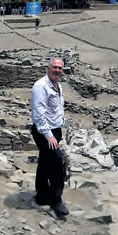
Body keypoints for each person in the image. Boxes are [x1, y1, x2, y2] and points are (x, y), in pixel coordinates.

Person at [31, 57, 69, 217]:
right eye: (54, 67)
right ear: (48, 68)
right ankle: (56, 200)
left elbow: (57, 108)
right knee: (56, 162)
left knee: (45, 160)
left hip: (55, 130)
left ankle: (41, 196)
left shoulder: (57, 85)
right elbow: (39, 114)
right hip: (45, 132)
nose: (57, 70)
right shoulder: (41, 86)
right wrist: (49, 136)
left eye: (60, 68)